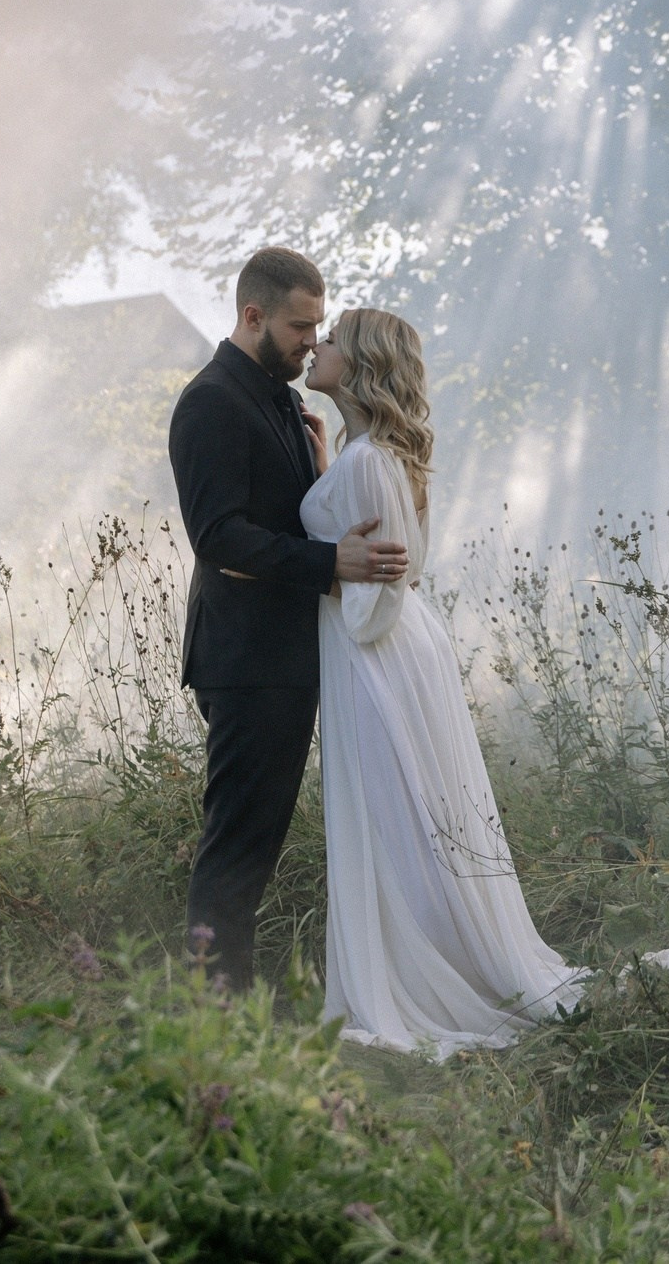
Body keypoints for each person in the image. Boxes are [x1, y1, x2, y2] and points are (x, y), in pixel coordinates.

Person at [301, 307, 669, 1056]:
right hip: (401, 647)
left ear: (357, 363)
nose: (317, 345)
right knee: (414, 818)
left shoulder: (368, 462)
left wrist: (327, 579)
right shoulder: (371, 455)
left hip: (375, 653)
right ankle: (442, 959)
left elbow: (378, 593)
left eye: (329, 339)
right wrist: (326, 471)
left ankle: (427, 978)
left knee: (397, 821)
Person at [168, 248, 407, 990]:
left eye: (317, 326)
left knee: (257, 841)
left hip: (283, 659)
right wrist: (334, 562)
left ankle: (228, 1003)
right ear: (253, 315)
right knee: (237, 845)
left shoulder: (278, 399)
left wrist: (320, 465)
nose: (311, 340)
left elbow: (284, 515)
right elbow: (219, 536)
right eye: (301, 326)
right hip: (246, 661)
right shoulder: (211, 401)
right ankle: (214, 1011)